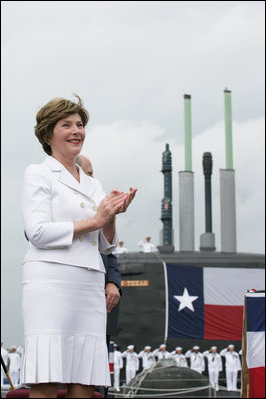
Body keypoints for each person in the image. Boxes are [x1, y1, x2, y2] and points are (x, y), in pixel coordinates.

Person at [21, 94, 137, 399]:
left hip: (88, 282)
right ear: (48, 134)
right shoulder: (38, 173)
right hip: (50, 282)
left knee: (86, 378)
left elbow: (106, 244)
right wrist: (96, 219)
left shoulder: (92, 184)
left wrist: (111, 216)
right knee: (46, 377)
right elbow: (37, 232)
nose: (77, 131)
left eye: (80, 125)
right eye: (67, 124)